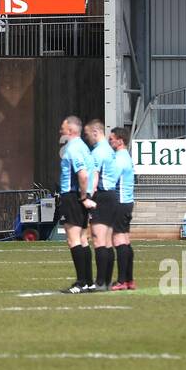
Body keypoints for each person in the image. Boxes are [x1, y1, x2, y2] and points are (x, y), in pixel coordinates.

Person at [57, 115, 95, 293]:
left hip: (71, 197)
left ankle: (80, 283)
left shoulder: (72, 149)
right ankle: (88, 281)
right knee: (83, 240)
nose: (60, 131)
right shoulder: (84, 147)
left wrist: (83, 196)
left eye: (63, 128)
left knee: (73, 240)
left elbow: (83, 174)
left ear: (71, 131)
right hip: (77, 197)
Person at [85, 118, 117, 290]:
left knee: (98, 241)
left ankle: (100, 282)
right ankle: (107, 281)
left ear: (96, 132)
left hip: (102, 196)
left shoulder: (98, 152)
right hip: (113, 196)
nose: (87, 138)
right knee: (108, 241)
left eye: (88, 134)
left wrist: (88, 196)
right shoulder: (110, 151)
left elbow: (94, 176)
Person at [107, 128, 137, 290]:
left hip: (120, 201)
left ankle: (121, 281)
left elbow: (112, 179)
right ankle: (129, 280)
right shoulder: (126, 156)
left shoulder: (119, 158)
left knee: (118, 240)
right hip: (127, 202)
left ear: (120, 141)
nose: (109, 141)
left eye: (111, 139)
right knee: (125, 240)